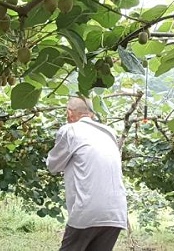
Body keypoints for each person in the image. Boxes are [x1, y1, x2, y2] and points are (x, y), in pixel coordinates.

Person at [46, 96, 128, 251]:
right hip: (115, 213)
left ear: (69, 113)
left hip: (88, 211)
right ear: (92, 114)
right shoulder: (109, 132)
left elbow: (53, 165)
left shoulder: (70, 130)